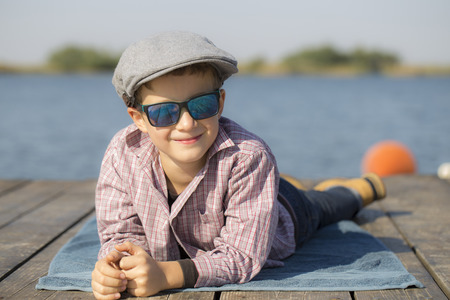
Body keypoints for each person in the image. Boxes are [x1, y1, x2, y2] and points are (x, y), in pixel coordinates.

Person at [91, 31, 386, 300]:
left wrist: (167, 275)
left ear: (220, 102)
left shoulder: (249, 157)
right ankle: (287, 181)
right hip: (254, 189)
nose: (186, 123)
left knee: (323, 206)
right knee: (293, 189)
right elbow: (119, 234)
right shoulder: (122, 153)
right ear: (138, 118)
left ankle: (358, 189)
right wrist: (116, 267)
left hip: (288, 214)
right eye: (165, 112)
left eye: (201, 104)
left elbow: (242, 256)